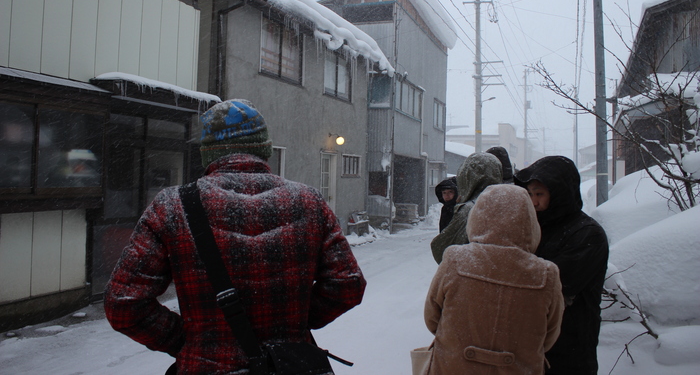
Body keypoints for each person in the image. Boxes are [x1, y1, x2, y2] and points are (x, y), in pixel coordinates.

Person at [104, 99, 366, 374]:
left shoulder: (172, 207)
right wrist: (292, 325)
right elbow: (347, 284)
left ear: (208, 153)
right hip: (289, 364)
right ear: (264, 149)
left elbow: (124, 303)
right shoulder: (309, 202)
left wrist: (189, 341)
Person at [424, 184, 565, 374]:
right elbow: (549, 337)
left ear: (478, 217)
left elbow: (432, 318)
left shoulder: (455, 259)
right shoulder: (546, 274)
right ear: (529, 221)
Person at [514, 156, 609, 375]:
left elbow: (550, 286)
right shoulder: (532, 227)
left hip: (570, 348)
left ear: (559, 194)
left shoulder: (587, 234)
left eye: (539, 194)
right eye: (529, 194)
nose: (533, 202)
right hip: (531, 347)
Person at [430, 152, 502, 264]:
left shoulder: (469, 209)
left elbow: (442, 250)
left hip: (473, 272)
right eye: (444, 193)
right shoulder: (509, 202)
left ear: (467, 176)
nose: (447, 195)